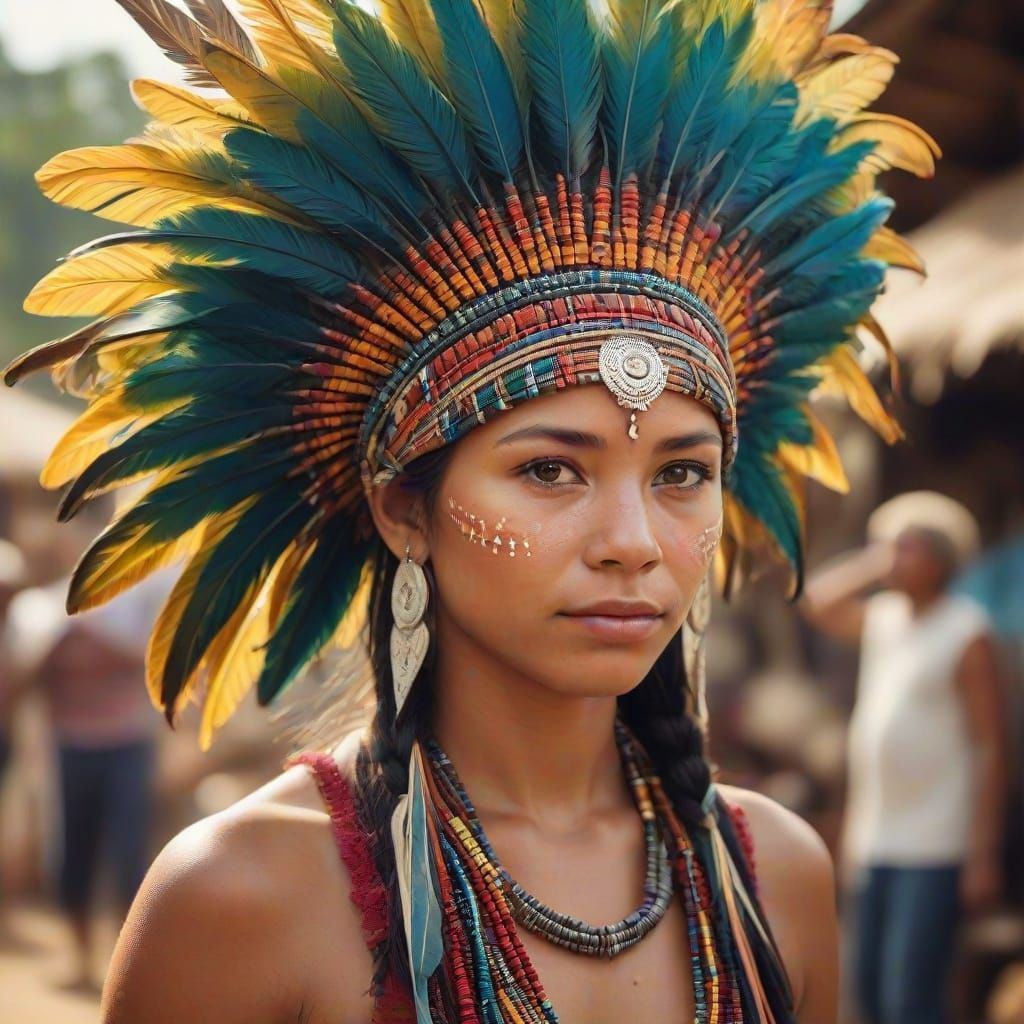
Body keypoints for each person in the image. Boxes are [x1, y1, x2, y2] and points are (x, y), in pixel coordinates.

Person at [4, 0, 934, 1019]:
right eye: (549, 470)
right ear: (406, 509)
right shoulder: (241, 896)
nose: (633, 543)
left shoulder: (775, 877)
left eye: (680, 473)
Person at [802, 491, 1009, 1024]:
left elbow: (991, 747)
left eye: (908, 549)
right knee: (865, 993)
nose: (893, 558)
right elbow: (818, 600)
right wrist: (880, 555)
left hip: (937, 844)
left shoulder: (967, 632)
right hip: (876, 840)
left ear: (942, 560)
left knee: (909, 999)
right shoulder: (885, 619)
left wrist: (982, 855)